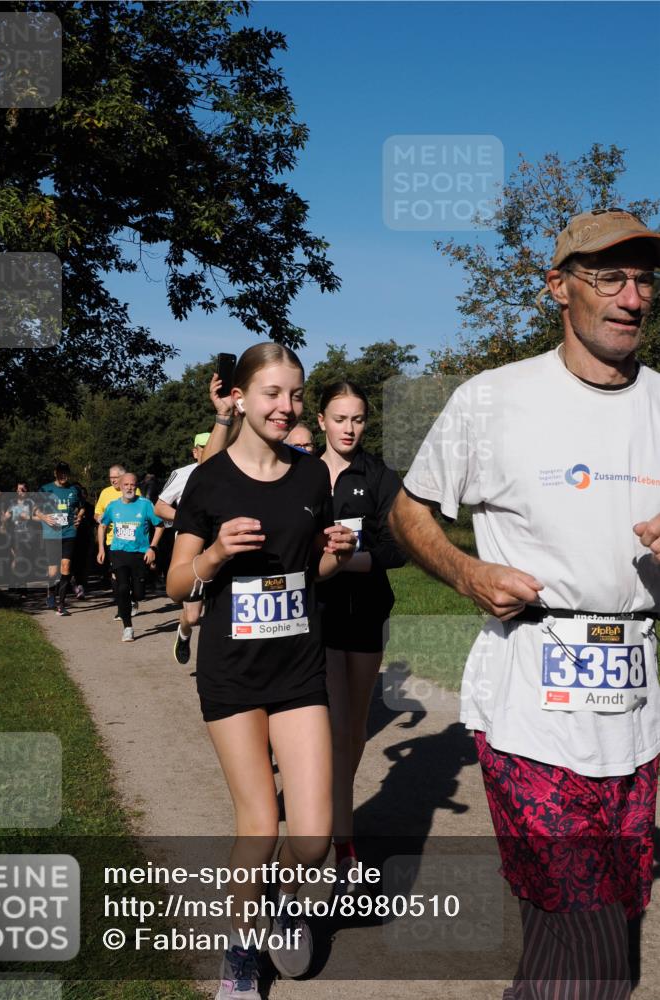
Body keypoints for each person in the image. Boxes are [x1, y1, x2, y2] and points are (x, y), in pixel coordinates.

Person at [389, 207, 660, 998]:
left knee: (597, 924)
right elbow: (409, 510)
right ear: (558, 287)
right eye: (608, 277)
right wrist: (465, 572)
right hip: (530, 707)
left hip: (639, 716)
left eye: (644, 280)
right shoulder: (493, 399)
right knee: (594, 948)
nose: (632, 297)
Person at [166, 342, 356, 1000]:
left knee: (313, 838)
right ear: (241, 397)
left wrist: (337, 554)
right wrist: (216, 553)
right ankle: (241, 951)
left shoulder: (311, 477)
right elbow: (177, 582)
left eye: (296, 394)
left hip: (299, 669)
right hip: (234, 674)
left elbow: (311, 573)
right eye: (273, 393)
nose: (286, 406)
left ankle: (281, 898)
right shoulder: (209, 481)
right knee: (258, 826)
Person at [315, 381, 405, 894]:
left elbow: (398, 547)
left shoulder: (379, 475)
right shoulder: (301, 473)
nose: (349, 428)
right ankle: (340, 840)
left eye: (358, 419)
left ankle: (335, 821)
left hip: (367, 611)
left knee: (353, 732)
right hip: (318, 614)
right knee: (335, 726)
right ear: (321, 420)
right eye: (340, 418)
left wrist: (350, 560)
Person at [154, 431, 211, 664]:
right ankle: (184, 633)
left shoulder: (232, 471)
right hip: (190, 549)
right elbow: (160, 507)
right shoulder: (183, 474)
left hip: (221, 548)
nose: (210, 450)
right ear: (195, 451)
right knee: (193, 615)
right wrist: (188, 519)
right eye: (204, 447)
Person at [98, 472, 162, 642]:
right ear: (120, 486)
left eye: (132, 485)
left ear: (136, 486)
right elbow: (102, 526)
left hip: (140, 553)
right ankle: (128, 627)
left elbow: (160, 526)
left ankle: (135, 599)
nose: (129, 488)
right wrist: (101, 549)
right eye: (126, 485)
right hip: (118, 552)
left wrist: (152, 548)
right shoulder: (113, 506)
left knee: (139, 594)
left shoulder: (145, 505)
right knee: (123, 588)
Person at [34, 462, 84, 615]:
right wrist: (44, 517)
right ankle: (51, 593)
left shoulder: (74, 489)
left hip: (69, 532)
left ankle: (61, 604)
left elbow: (82, 507)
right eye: (60, 472)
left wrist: (79, 517)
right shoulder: (45, 489)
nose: (63, 475)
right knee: (53, 569)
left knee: (66, 566)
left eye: (65, 472)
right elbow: (35, 509)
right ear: (55, 473)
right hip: (51, 534)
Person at [95, 464, 139, 617]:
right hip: (112, 541)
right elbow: (97, 513)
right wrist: (100, 518)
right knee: (116, 575)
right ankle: (122, 607)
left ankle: (133, 598)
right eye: (111, 478)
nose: (113, 480)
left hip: (133, 541)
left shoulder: (133, 490)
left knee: (131, 575)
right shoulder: (105, 493)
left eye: (116, 477)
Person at [3, 482, 36, 587]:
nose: (20, 492)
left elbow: (39, 517)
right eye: (18, 490)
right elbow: (5, 517)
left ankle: (13, 580)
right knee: (19, 558)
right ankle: (22, 585)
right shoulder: (13, 503)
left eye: (22, 489)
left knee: (21, 559)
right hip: (16, 535)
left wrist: (28, 517)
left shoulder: (31, 503)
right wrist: (4, 524)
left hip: (28, 536)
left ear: (27, 491)